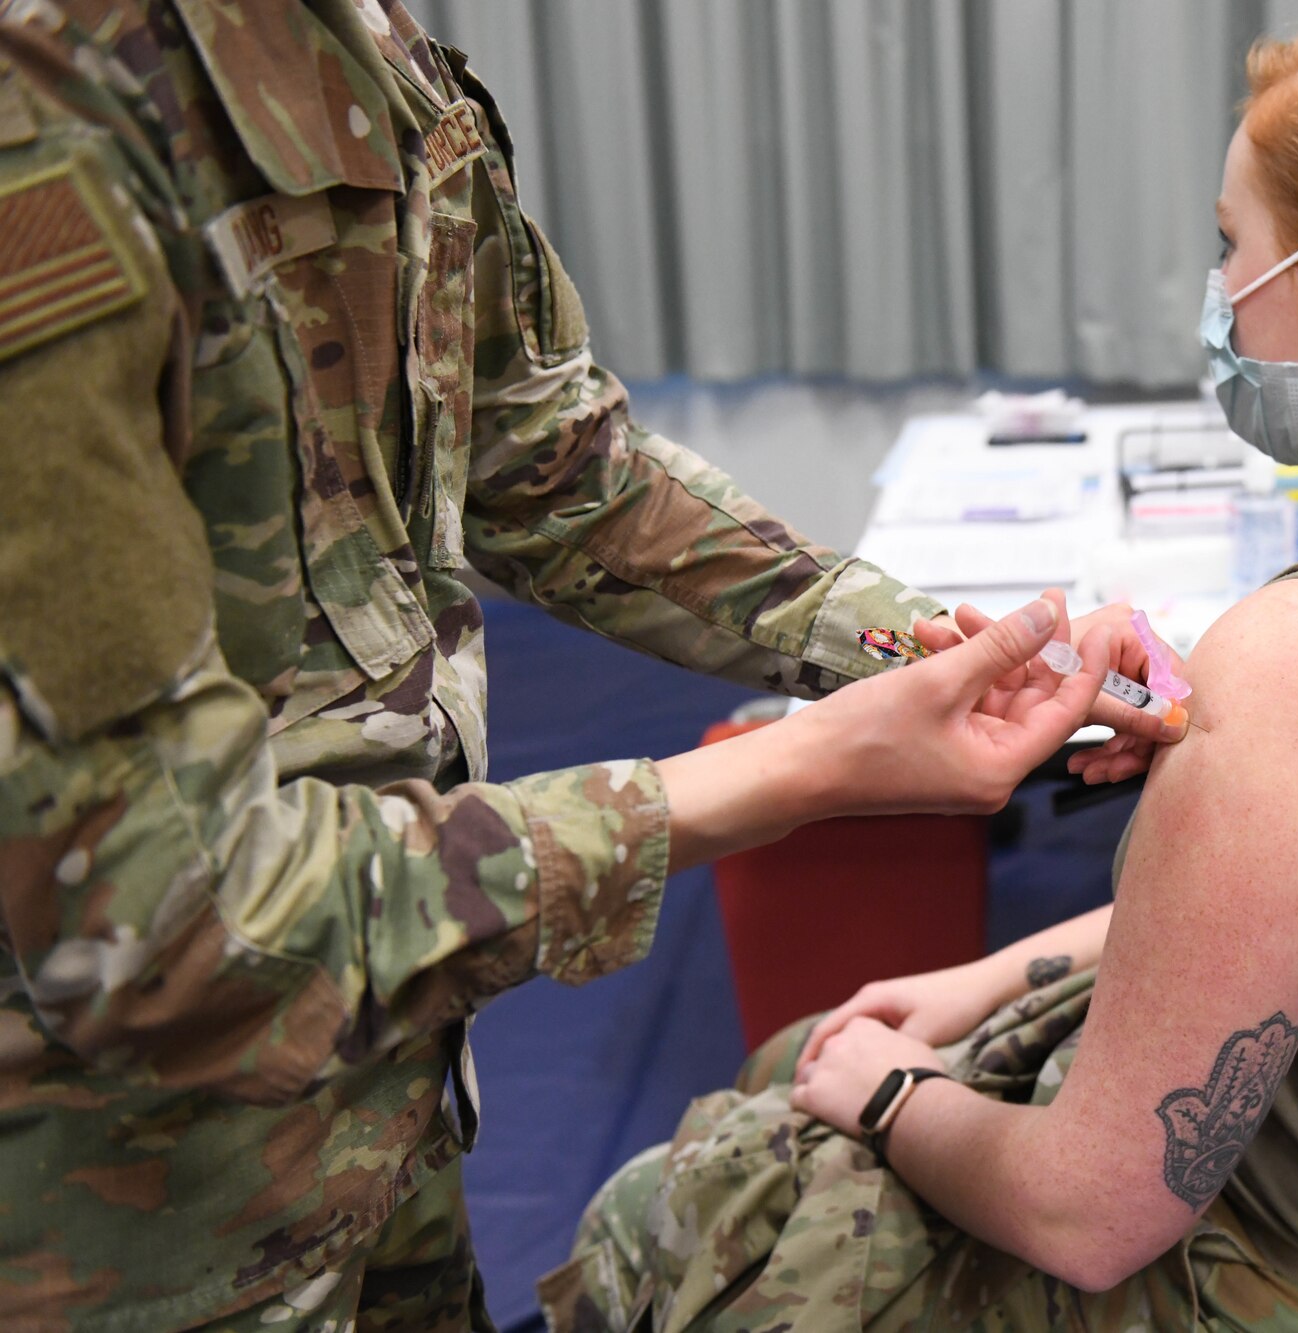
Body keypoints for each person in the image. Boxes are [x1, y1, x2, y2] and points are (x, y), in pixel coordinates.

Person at [0, 1, 1177, 1327]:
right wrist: (778, 777)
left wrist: (936, 649)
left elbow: (552, 465)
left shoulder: (363, 42)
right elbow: (169, 919)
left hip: (388, 1098)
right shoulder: (50, 111)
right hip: (128, 1213)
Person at [543, 11, 1298, 1332]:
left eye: (1232, 243)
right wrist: (989, 977)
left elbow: (1085, 1215)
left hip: (1271, 1280)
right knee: (804, 1079)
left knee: (680, 1208)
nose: (1218, 288)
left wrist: (883, 1089)